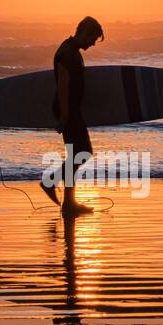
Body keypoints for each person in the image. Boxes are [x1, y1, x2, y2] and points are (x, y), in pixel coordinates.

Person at [41, 16, 103, 215]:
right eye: (93, 38)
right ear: (84, 32)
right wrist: (65, 116)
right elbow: (63, 87)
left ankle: (69, 203)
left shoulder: (71, 50)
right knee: (82, 153)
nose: (93, 43)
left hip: (71, 110)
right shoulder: (67, 53)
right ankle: (51, 182)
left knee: (77, 154)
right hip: (67, 110)